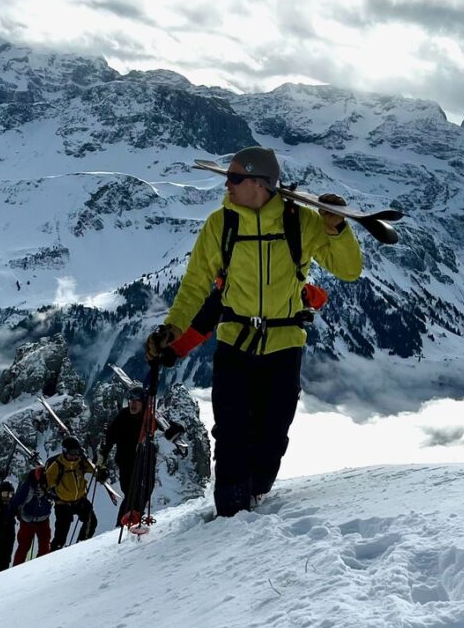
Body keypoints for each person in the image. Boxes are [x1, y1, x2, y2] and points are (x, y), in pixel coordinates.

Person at [146, 145, 360, 517]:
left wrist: (336, 229)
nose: (225, 185)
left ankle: (257, 494)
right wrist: (172, 329)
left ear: (259, 183)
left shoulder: (300, 221)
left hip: (285, 344)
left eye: (234, 178)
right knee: (230, 435)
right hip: (235, 343)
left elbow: (348, 269)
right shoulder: (221, 224)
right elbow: (195, 287)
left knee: (272, 436)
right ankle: (230, 515)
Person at [102, 386, 149, 525]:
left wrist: (175, 429)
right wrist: (101, 458)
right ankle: (124, 524)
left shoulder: (148, 417)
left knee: (139, 495)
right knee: (131, 495)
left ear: (143, 403)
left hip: (142, 462)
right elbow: (110, 437)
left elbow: (163, 424)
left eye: (137, 401)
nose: (132, 404)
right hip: (126, 462)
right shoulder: (123, 416)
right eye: (131, 400)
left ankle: (131, 520)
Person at [44, 435, 100, 549]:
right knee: (61, 536)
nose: (75, 456)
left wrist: (102, 472)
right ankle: (54, 556)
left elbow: (94, 469)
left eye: (77, 452)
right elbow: (47, 484)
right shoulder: (56, 466)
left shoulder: (81, 462)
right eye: (72, 452)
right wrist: (54, 494)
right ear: (65, 452)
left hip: (80, 501)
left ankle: (81, 546)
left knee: (91, 522)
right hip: (63, 505)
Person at [10, 467, 54, 564]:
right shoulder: (30, 485)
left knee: (26, 546)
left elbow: (16, 501)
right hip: (38, 519)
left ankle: (18, 568)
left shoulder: (30, 483)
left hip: (29, 519)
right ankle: (40, 566)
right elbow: (17, 500)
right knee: (41, 544)